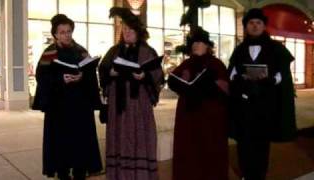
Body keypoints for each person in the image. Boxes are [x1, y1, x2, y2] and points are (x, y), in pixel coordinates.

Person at [228, 8, 296, 180]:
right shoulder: (239, 49)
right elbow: (232, 73)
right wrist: (239, 79)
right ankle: (246, 174)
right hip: (244, 106)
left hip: (266, 104)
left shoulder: (276, 48)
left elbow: (284, 73)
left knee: (261, 143)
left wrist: (271, 80)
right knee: (243, 142)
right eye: (251, 23)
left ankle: (259, 176)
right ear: (246, 27)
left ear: (264, 26)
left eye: (258, 23)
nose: (255, 26)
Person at [32, 14, 102, 180]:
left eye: (69, 31)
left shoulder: (81, 51)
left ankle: (79, 173)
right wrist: (60, 79)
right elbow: (41, 77)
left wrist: (82, 77)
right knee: (60, 145)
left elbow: (91, 73)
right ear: (55, 34)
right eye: (62, 32)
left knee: (80, 143)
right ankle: (63, 173)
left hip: (80, 107)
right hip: (59, 108)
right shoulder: (49, 53)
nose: (66, 35)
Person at [98, 7, 164, 180]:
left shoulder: (147, 52)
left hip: (138, 105)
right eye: (124, 29)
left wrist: (145, 76)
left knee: (139, 136)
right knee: (118, 138)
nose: (126, 32)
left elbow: (158, 76)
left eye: (130, 29)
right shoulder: (113, 51)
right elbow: (102, 70)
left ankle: (140, 175)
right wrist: (109, 74)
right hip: (117, 107)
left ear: (138, 32)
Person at [168, 27, 229, 180]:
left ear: (208, 46)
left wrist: (209, 85)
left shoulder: (216, 64)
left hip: (210, 117)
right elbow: (175, 81)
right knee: (187, 149)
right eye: (194, 42)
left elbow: (225, 90)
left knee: (210, 149)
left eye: (200, 42)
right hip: (188, 115)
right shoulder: (186, 63)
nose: (196, 45)